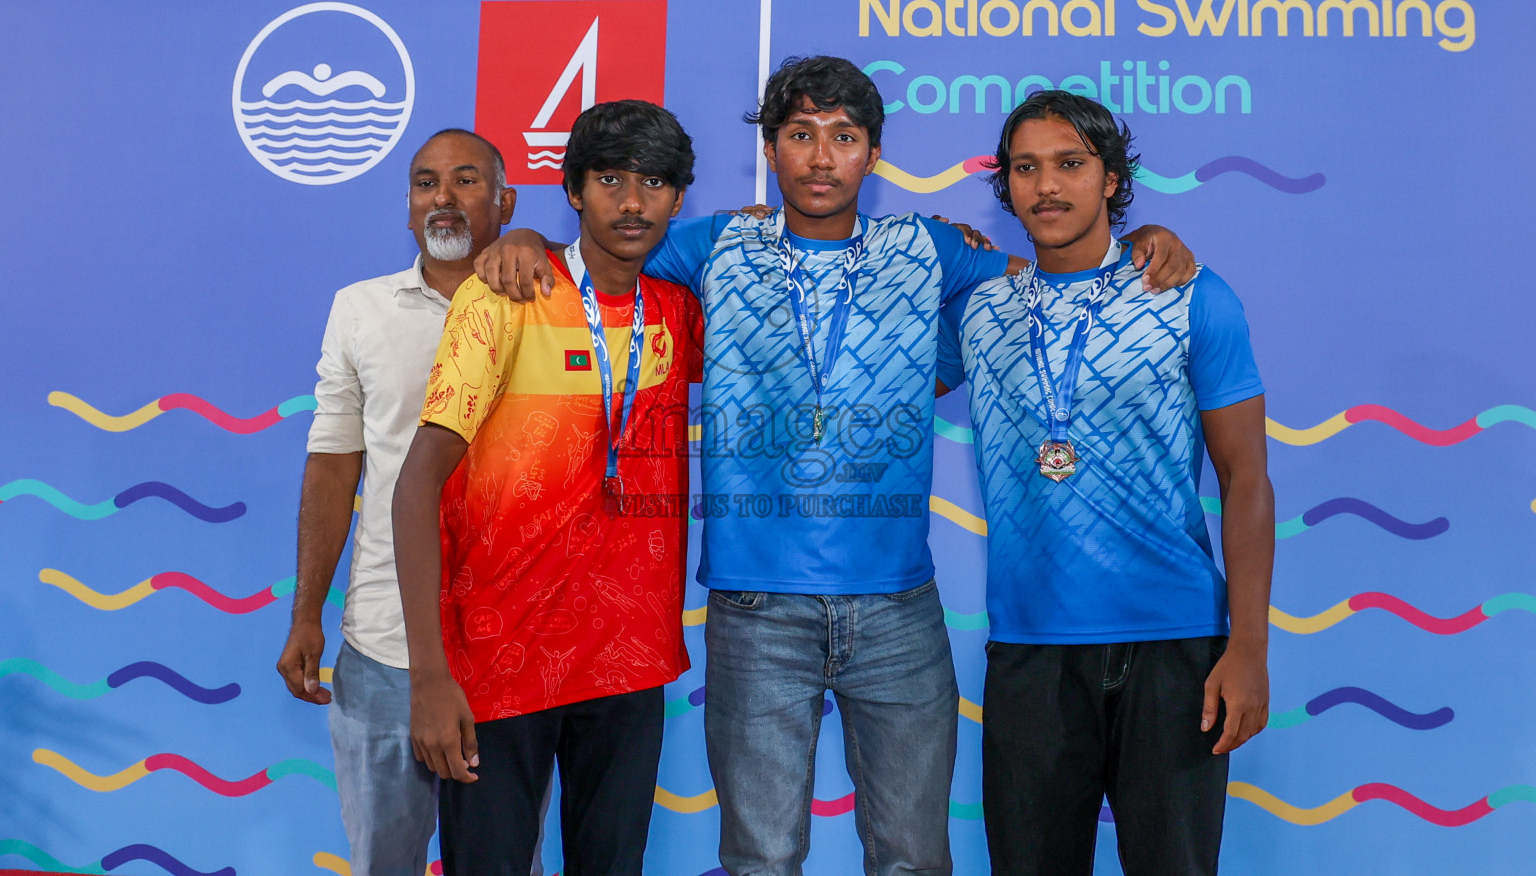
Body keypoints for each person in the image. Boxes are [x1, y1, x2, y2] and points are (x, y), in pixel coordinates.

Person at [474, 57, 1196, 876]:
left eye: (844, 138)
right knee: (761, 858)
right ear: (772, 152)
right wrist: (526, 235)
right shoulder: (713, 244)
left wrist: (1144, 240)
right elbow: (605, 250)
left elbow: (1058, 273)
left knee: (914, 859)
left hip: (899, 611)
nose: (822, 158)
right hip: (755, 613)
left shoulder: (928, 249)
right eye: (801, 136)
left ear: (873, 154)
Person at [936, 90, 1274, 876]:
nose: (1047, 186)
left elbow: (1246, 476)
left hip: (1175, 648)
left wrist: (1250, 646)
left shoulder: (1192, 294)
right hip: (1031, 652)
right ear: (1006, 185)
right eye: (1026, 168)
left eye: (1070, 164)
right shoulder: (979, 310)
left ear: (1113, 180)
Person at [391, 100, 703, 876]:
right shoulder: (502, 295)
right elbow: (414, 485)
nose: (632, 203)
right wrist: (430, 675)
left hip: (629, 661)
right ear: (571, 190)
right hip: (499, 660)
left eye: (655, 183)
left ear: (678, 197)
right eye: (609, 180)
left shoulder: (680, 310)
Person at [275, 129, 517, 876]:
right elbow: (332, 466)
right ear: (409, 210)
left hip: (510, 642)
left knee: (510, 860)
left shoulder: (541, 304)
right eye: (424, 183)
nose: (442, 197)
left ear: (505, 203)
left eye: (466, 179)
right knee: (386, 861)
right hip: (382, 647)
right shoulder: (360, 309)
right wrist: (306, 613)